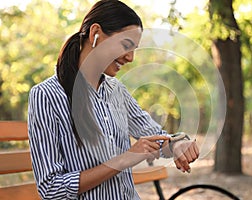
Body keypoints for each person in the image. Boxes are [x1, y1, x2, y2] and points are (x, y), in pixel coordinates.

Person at [27, 0, 199, 199]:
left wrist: (177, 143)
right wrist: (124, 160)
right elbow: (50, 189)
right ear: (95, 34)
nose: (131, 58)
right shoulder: (47, 95)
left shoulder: (116, 90)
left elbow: (155, 136)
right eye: (126, 45)